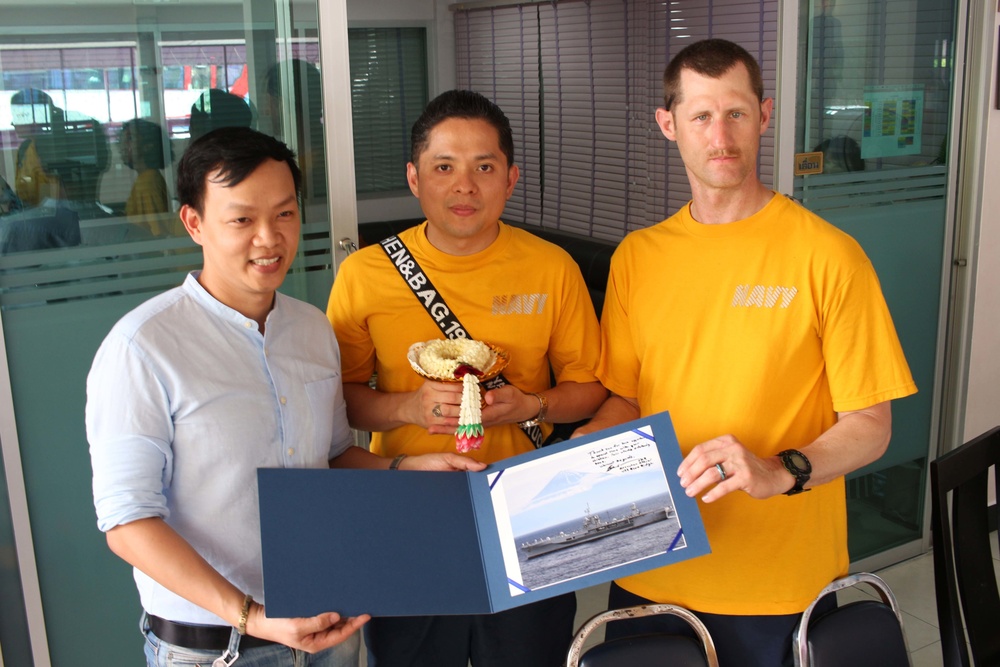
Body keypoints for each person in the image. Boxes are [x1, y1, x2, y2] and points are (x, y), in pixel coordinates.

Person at [87, 126, 485, 667]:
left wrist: (407, 468)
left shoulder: (311, 329)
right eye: (242, 220)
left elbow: (334, 456)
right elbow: (127, 522)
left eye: (284, 214)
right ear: (194, 223)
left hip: (330, 628)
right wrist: (252, 615)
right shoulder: (144, 347)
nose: (269, 238)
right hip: (218, 650)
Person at [575, 39, 918, 667]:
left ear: (764, 114)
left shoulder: (828, 256)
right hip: (652, 569)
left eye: (735, 112)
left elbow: (871, 427)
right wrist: (576, 465)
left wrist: (781, 468)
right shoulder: (638, 258)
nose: (720, 134)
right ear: (668, 123)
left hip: (780, 586)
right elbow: (625, 399)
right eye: (701, 115)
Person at [327, 89, 607, 667]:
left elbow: (591, 389)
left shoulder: (552, 268)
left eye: (484, 167)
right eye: (444, 168)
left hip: (529, 509)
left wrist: (531, 404)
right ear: (414, 177)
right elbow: (338, 403)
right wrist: (408, 409)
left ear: (511, 178)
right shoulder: (364, 276)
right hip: (412, 510)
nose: (465, 186)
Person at [119, 117, 173, 236]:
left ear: (149, 145)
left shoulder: (148, 181)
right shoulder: (144, 178)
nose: (123, 145)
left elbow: (158, 231)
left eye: (130, 138)